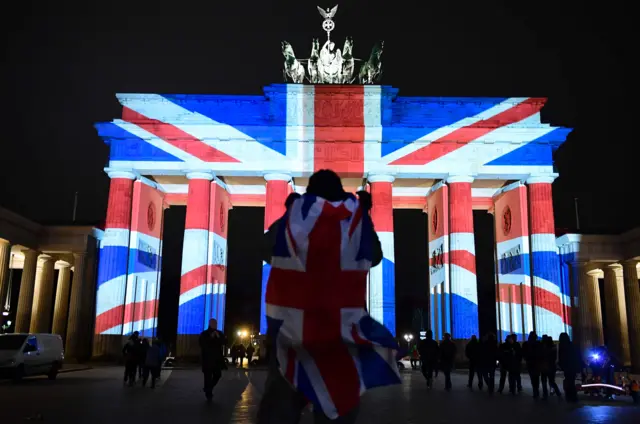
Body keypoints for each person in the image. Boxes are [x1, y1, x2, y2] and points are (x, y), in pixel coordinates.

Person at [257, 169, 391, 424]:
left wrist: (292, 213)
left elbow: (266, 249)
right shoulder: (349, 224)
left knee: (280, 411)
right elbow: (374, 255)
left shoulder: (297, 222)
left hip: (293, 332)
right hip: (337, 335)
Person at [199, 318, 227, 401]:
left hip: (217, 360)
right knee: (207, 377)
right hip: (207, 360)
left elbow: (225, 342)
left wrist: (218, 337)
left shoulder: (219, 333)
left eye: (216, 323)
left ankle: (208, 388)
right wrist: (210, 338)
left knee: (218, 375)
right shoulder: (204, 334)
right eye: (213, 323)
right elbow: (202, 344)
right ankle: (209, 394)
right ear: (210, 324)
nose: (215, 325)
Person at [558, 332, 581, 402]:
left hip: (566, 367)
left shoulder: (562, 346)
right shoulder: (572, 345)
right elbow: (577, 355)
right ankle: (573, 396)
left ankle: (569, 396)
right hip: (572, 366)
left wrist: (561, 366)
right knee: (571, 381)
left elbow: (561, 358)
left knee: (568, 381)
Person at [523, 331, 545, 398]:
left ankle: (535, 391)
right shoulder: (538, 344)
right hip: (537, 363)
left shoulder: (526, 344)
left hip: (530, 363)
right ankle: (536, 390)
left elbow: (524, 354)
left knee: (533, 378)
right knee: (536, 377)